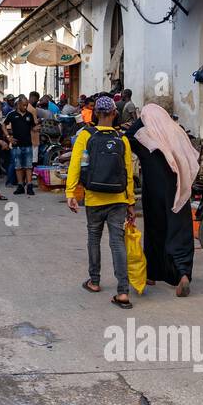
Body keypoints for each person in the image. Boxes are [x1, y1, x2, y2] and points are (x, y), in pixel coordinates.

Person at [66, 95, 136, 309]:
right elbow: (128, 174)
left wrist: (70, 193)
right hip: (118, 199)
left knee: (93, 238)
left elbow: (75, 164)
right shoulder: (122, 139)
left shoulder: (86, 135)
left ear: (95, 113)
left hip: (94, 197)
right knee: (117, 243)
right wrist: (130, 202)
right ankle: (123, 292)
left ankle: (94, 281)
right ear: (115, 114)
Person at [128, 103, 199, 298]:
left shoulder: (144, 136)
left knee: (155, 229)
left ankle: (152, 273)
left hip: (155, 191)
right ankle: (183, 274)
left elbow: (126, 139)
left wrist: (140, 121)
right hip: (179, 188)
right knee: (180, 229)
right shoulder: (176, 131)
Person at [5, 95, 37, 196]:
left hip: (28, 144)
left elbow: (33, 127)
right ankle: (20, 186)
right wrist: (8, 137)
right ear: (18, 104)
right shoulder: (12, 114)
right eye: (23, 105)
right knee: (18, 166)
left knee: (28, 166)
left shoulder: (29, 115)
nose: (25, 107)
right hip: (17, 145)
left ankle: (29, 186)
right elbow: (3, 125)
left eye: (26, 105)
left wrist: (37, 128)